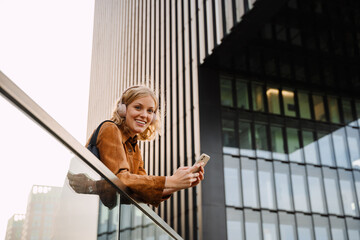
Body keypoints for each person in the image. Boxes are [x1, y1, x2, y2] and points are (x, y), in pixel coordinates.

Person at [68, 85, 204, 207]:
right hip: (81, 212)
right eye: (138, 107)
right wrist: (171, 180)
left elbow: (140, 190)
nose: (144, 115)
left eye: (150, 111)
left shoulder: (134, 146)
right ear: (123, 109)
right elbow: (120, 179)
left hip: (94, 213)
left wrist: (178, 184)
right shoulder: (110, 128)